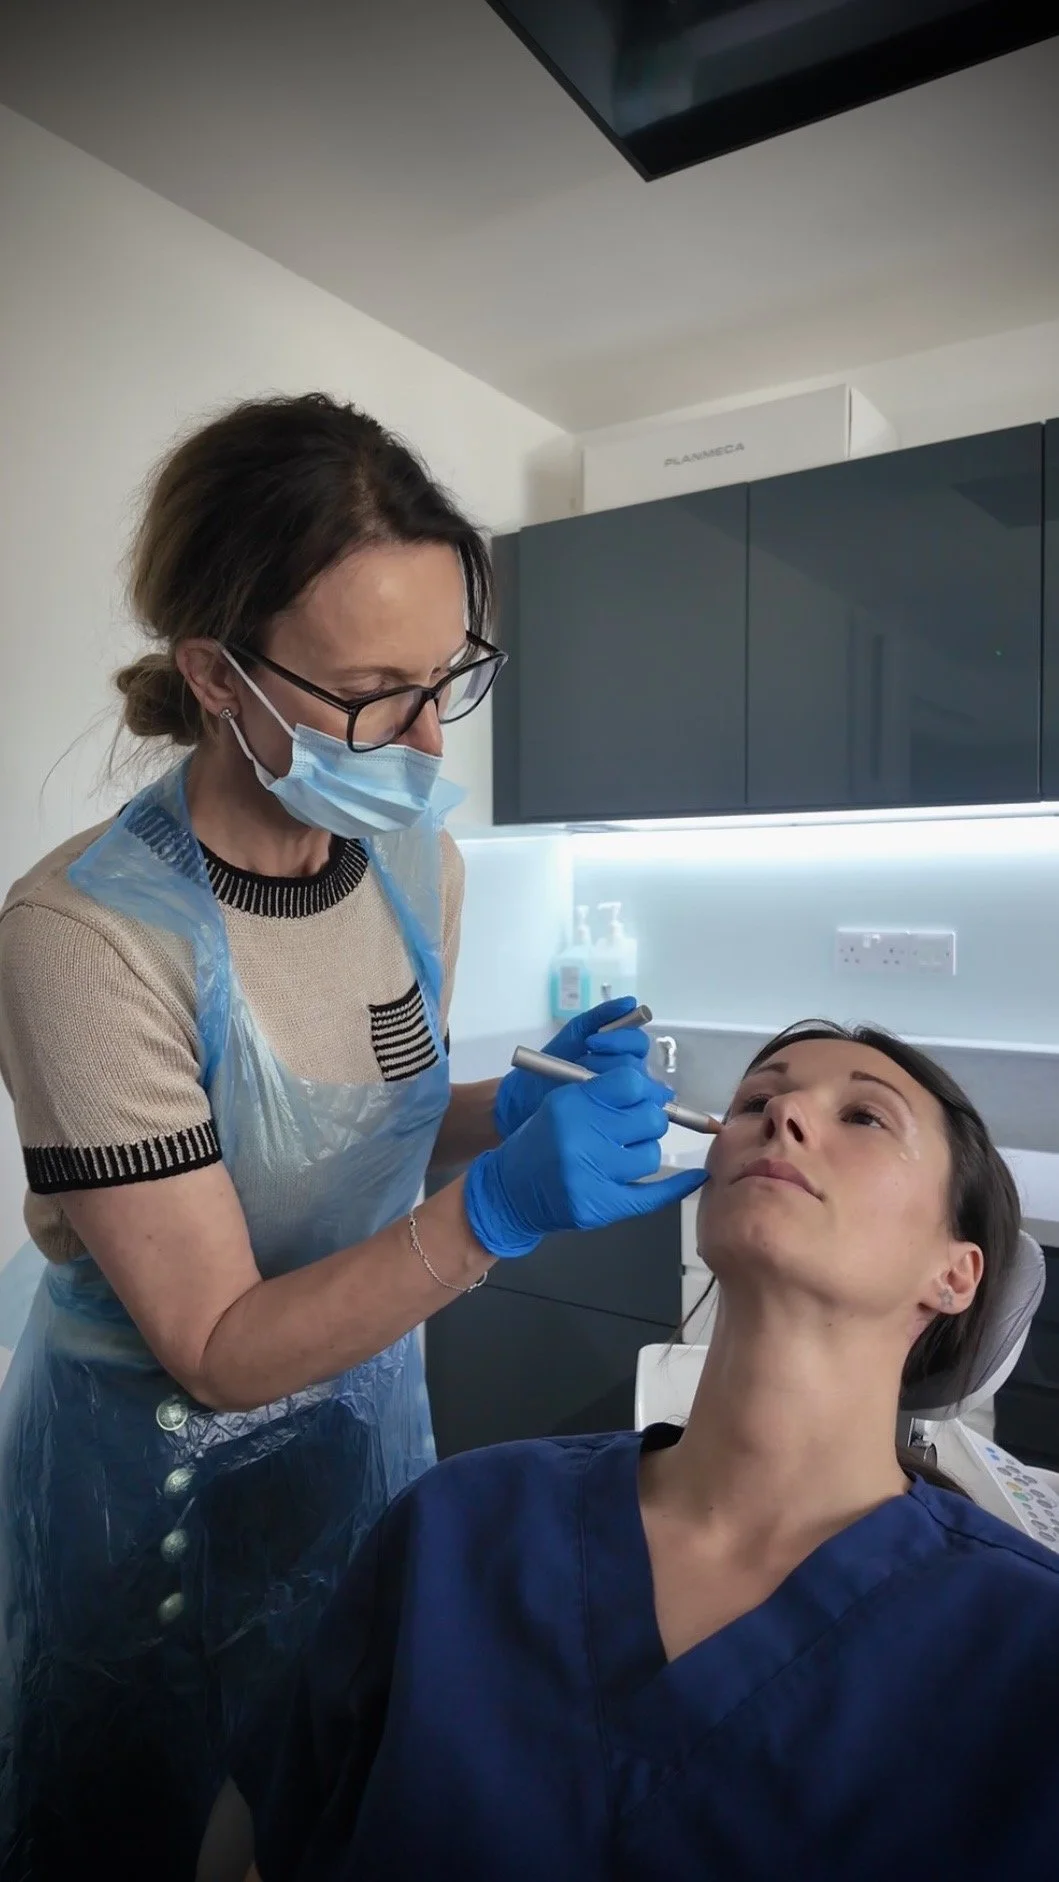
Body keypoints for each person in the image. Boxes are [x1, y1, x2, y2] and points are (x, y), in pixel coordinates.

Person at [0, 392, 702, 1880]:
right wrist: (493, 1212)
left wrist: (490, 1115)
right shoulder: (86, 938)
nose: (429, 733)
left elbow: (352, 1126)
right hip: (160, 1491)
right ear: (216, 674)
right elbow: (215, 1340)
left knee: (339, 1787)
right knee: (134, 1818)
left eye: (449, 675)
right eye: (375, 688)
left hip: (368, 1423)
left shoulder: (408, 861)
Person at [238, 1021, 1059, 1882]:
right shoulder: (458, 1524)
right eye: (756, 1099)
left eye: (863, 1116)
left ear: (954, 1275)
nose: (782, 1117)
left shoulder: (1021, 1648)